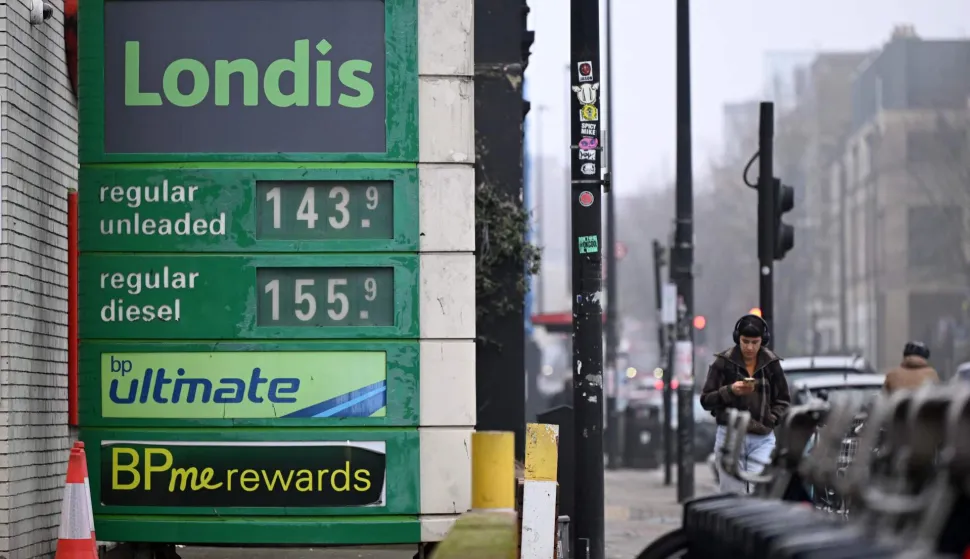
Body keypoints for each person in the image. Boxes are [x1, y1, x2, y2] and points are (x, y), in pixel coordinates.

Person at [700, 314, 791, 494]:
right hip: (730, 434)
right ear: (737, 339)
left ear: (762, 341)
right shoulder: (723, 362)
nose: (749, 347)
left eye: (755, 342)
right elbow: (706, 400)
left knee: (760, 490)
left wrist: (771, 419)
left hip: (762, 437)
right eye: (745, 341)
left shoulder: (771, 364)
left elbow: (783, 400)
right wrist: (730, 391)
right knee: (732, 493)